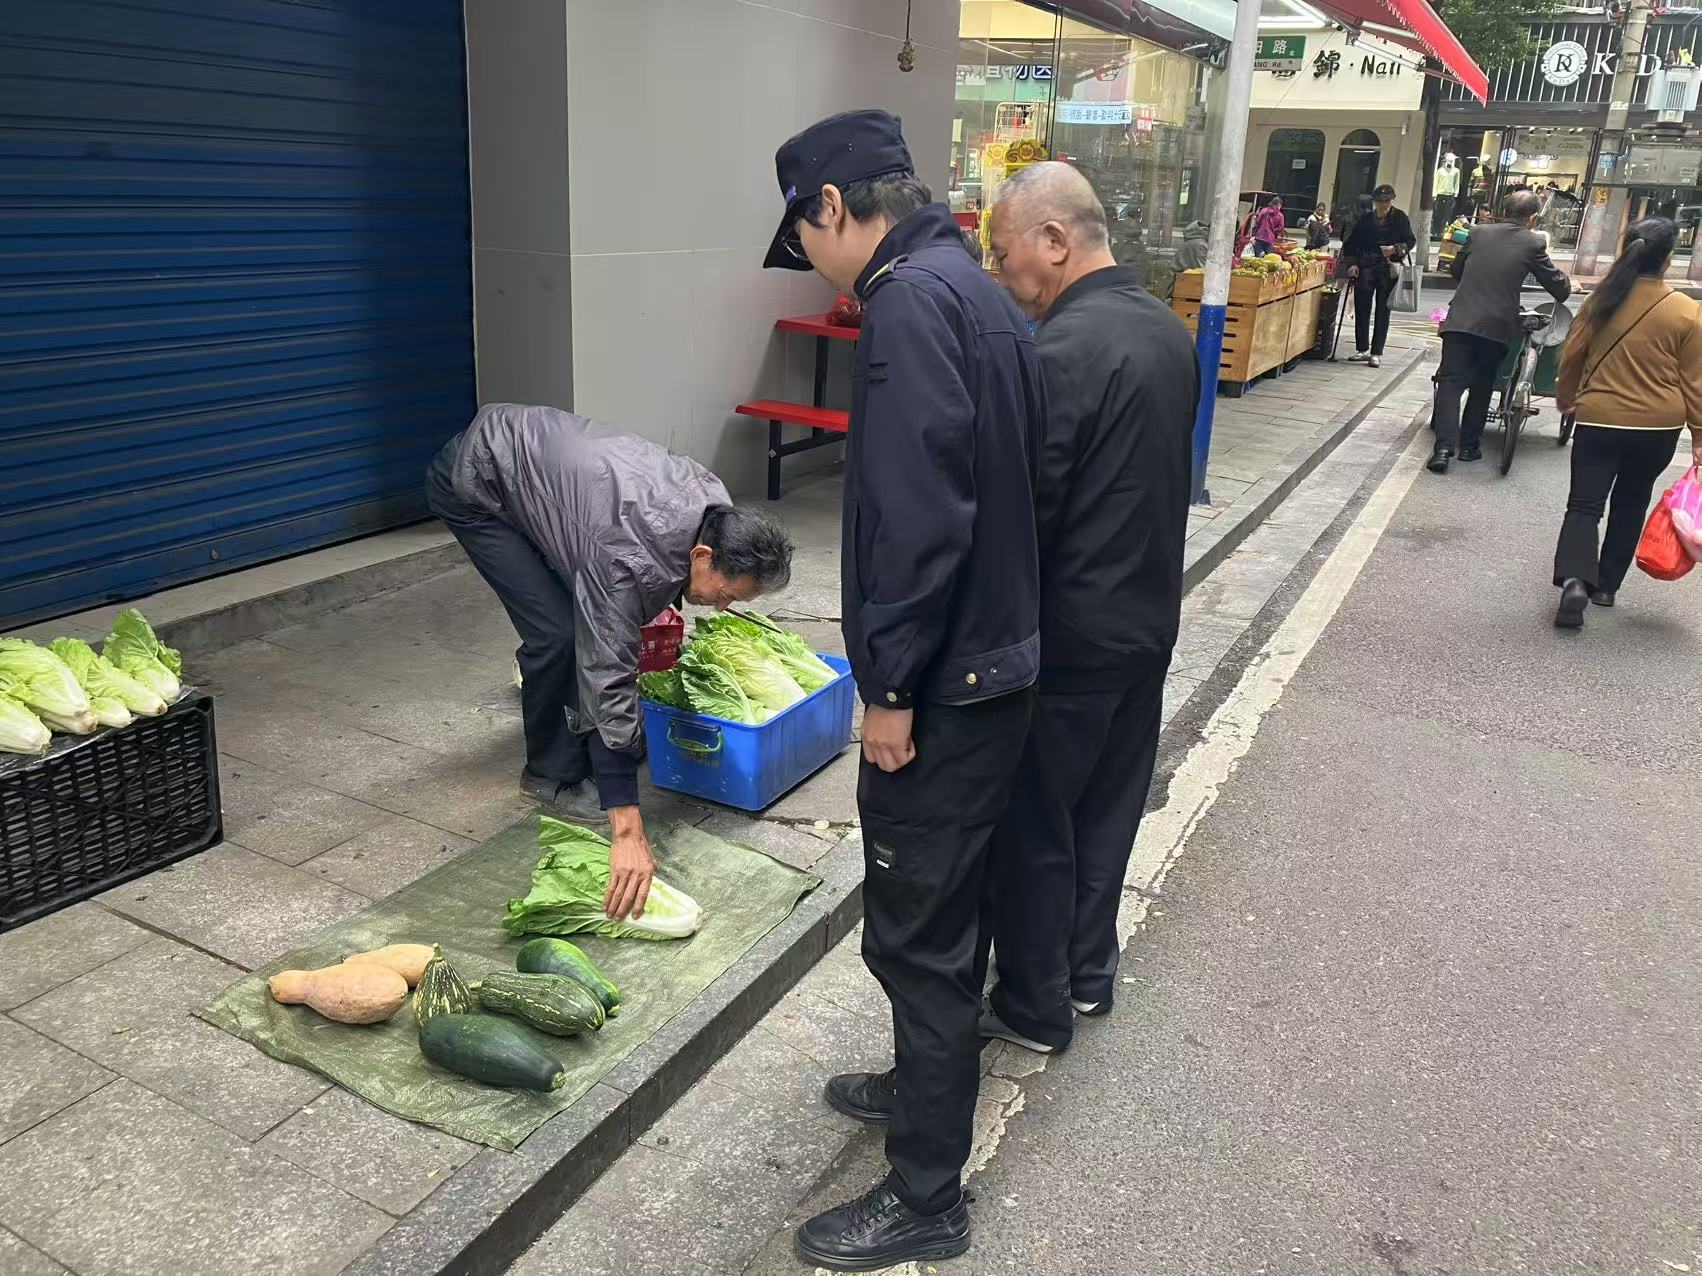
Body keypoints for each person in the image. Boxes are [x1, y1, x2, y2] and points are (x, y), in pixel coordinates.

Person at [761, 109, 1045, 1269]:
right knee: (945, 913)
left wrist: (888, 687)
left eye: (803, 236)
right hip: (997, 660)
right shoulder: (975, 287)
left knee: (919, 931)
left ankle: (926, 1197)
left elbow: (914, 521)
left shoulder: (909, 303)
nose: (812, 264)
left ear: (832, 206)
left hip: (945, 681)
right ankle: (916, 1085)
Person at [980, 162, 1197, 1054]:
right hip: (1148, 616)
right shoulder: (1166, 330)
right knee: (1109, 805)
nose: (1002, 273)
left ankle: (1034, 1003)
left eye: (1005, 252)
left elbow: (1032, 506)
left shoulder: (1060, 352)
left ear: (1056, 241)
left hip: (1072, 632)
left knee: (1038, 821)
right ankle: (1087, 973)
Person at [424, 407, 792, 918]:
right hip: (476, 480)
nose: (724, 604)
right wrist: (627, 824)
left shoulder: (714, 503)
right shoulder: (626, 562)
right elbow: (609, 670)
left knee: (587, 624)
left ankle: (584, 744)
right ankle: (549, 775)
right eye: (727, 593)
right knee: (557, 634)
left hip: (533, 465)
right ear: (704, 556)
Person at [1551, 217, 1702, 627]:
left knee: (1583, 504)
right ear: (1668, 260)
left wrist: (1567, 398)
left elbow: (1574, 357)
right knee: (1632, 501)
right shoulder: (1688, 312)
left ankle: (1576, 581)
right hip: (1658, 428)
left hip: (1600, 419)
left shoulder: (1602, 300)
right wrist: (1700, 436)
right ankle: (1606, 586)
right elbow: (1695, 381)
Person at [1426, 189, 1571, 473]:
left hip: (1461, 319)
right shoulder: (1533, 242)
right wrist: (1568, 285)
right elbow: (1558, 287)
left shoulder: (1478, 232)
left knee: (1451, 383)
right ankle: (1469, 447)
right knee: (1483, 384)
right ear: (1531, 218)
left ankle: (1443, 449)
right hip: (1496, 324)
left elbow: (1457, 271)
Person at [1340, 183, 1415, 368]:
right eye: (1380, 201)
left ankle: (1376, 352)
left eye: (1386, 201)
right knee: (1362, 308)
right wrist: (1353, 264)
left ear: (1391, 201)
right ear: (1374, 202)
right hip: (1366, 268)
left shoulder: (1400, 218)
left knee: (1383, 310)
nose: (1383, 205)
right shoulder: (1365, 220)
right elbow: (1351, 244)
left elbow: (1410, 240)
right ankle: (1363, 349)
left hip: (1388, 270)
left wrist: (1395, 248)